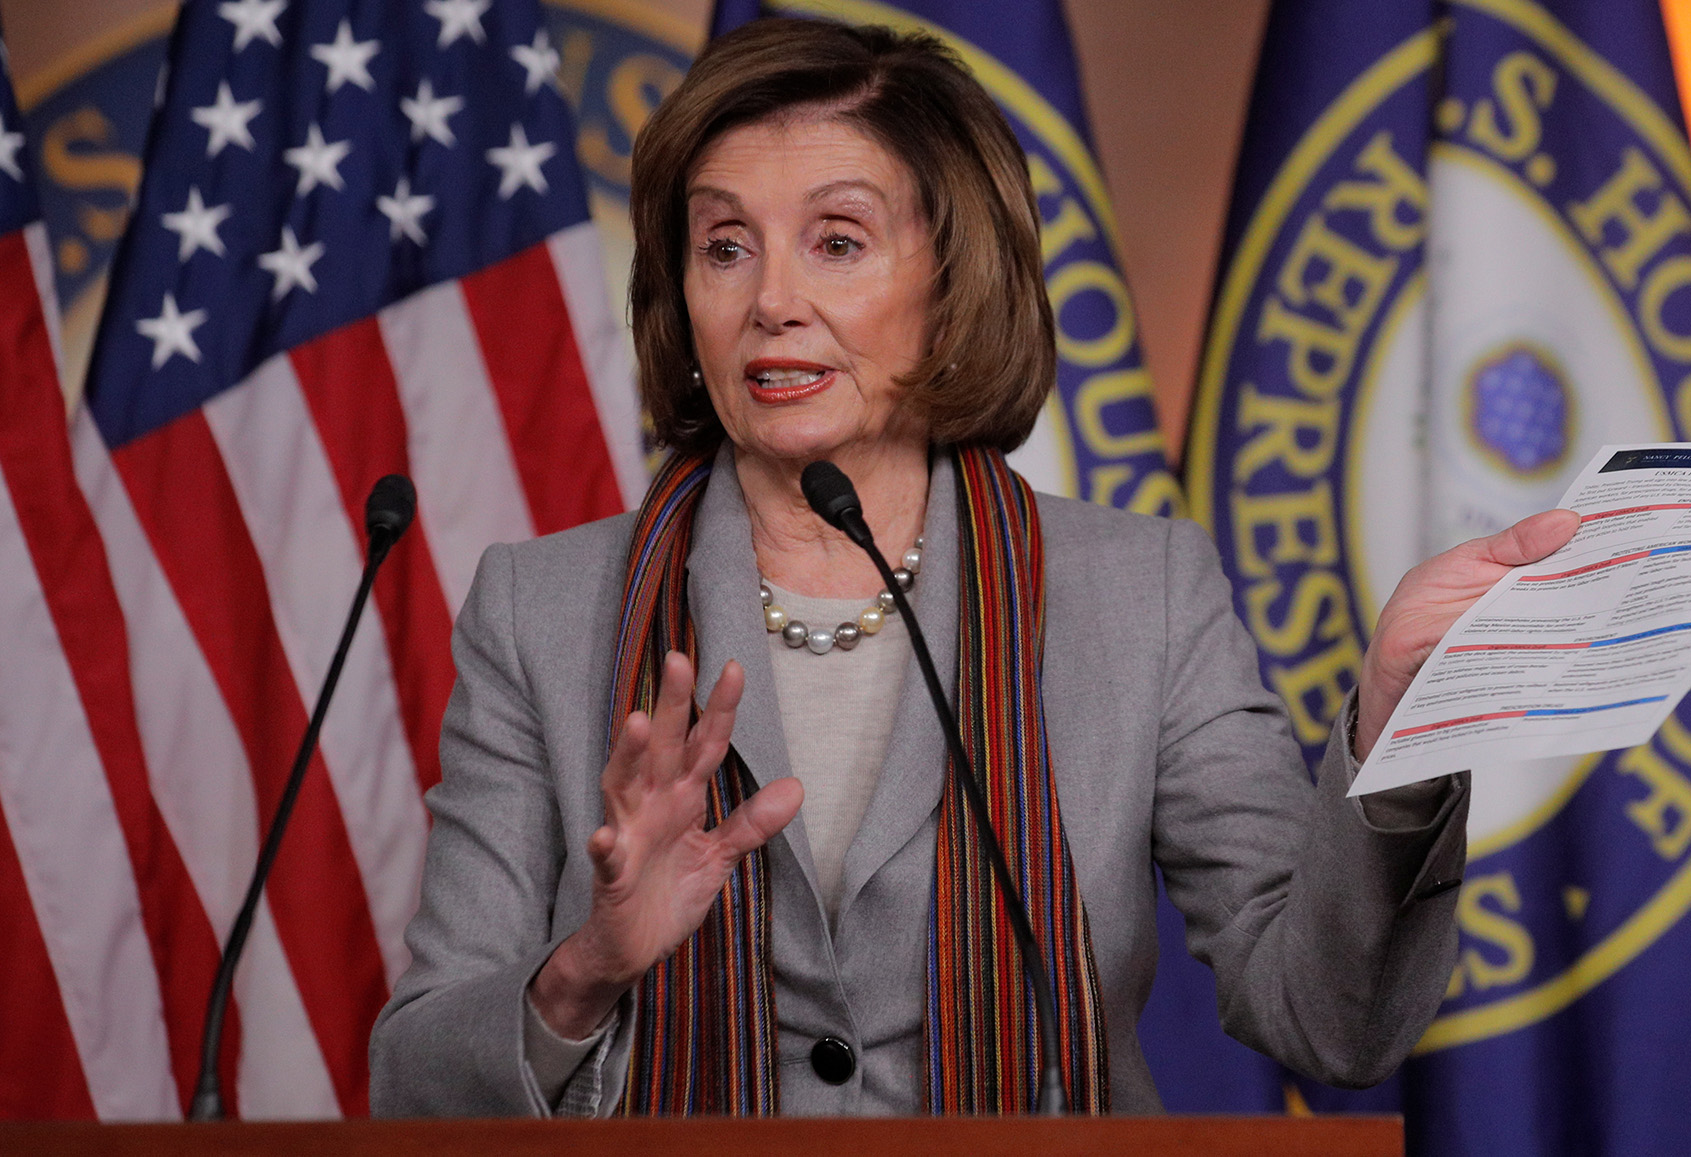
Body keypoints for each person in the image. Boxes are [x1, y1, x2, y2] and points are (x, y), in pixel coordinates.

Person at [369, 17, 1578, 1118]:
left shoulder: (1140, 594)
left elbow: (1327, 1020)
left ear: (953, 280)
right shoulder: (540, 610)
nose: (772, 299)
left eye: (836, 241)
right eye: (724, 245)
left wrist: (1401, 723)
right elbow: (415, 1079)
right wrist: (587, 966)